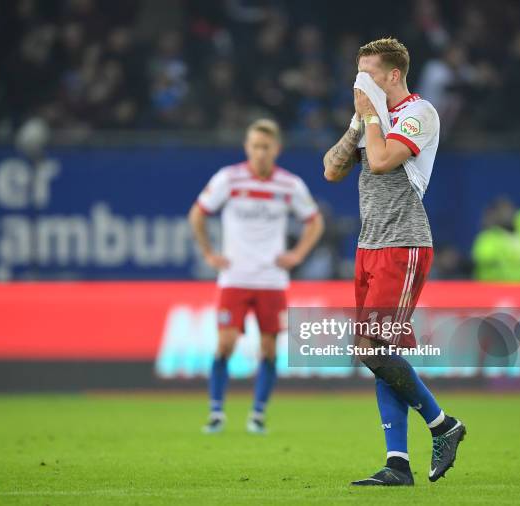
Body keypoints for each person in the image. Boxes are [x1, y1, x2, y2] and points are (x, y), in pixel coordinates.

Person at [323, 37, 466, 485]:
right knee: (380, 354)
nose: (360, 83)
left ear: (393, 75)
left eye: (368, 74)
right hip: (369, 246)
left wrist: (370, 116)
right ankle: (398, 464)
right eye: (357, 74)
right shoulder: (367, 116)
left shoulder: (419, 113)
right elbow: (331, 169)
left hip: (403, 244)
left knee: (373, 349)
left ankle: (444, 425)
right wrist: (359, 120)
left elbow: (383, 161)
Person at [189, 119, 324, 434]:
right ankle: (216, 412)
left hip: (271, 279)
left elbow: (314, 221)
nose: (259, 153)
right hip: (234, 277)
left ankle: (258, 414)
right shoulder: (229, 179)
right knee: (225, 343)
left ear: (276, 149)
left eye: (265, 147)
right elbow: (197, 213)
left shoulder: (289, 185)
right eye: (254, 146)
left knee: (269, 349)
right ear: (246, 147)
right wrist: (209, 253)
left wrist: (298, 255)